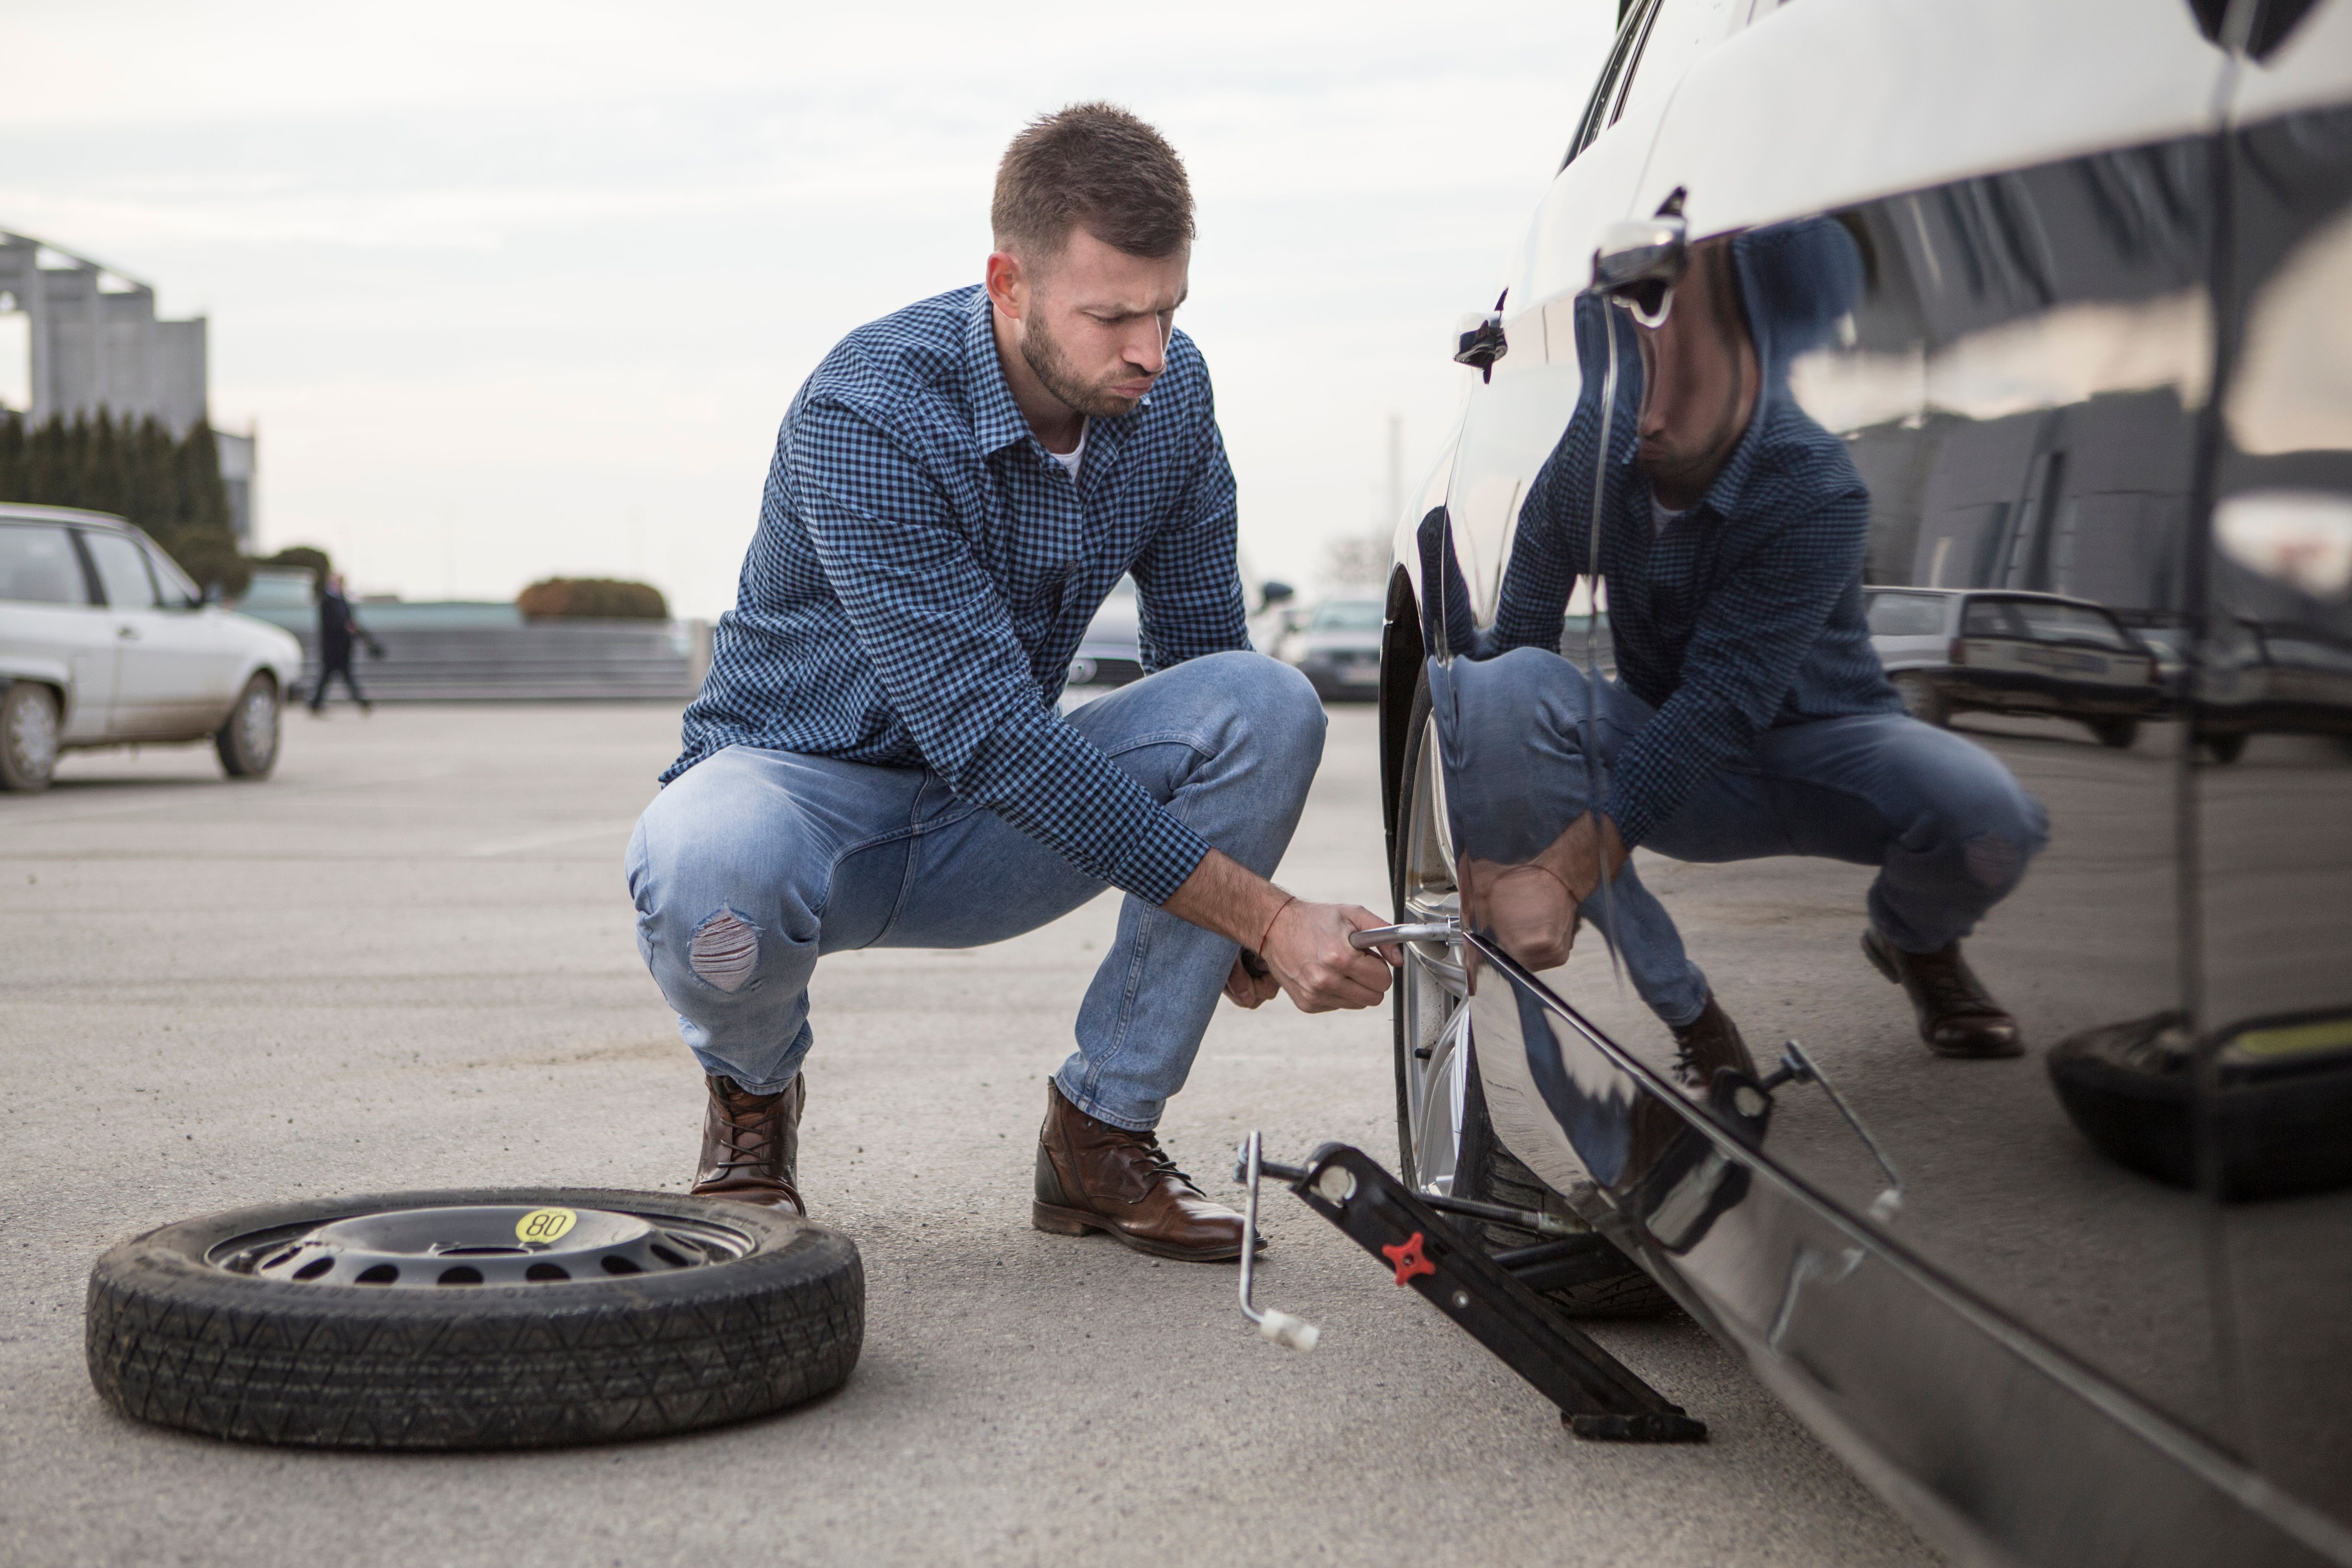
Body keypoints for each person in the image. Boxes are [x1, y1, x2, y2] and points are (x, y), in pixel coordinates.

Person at [626, 104, 1399, 1262]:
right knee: (705, 856)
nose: (1149, 348)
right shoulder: (870, 411)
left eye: (1169, 308)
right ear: (1009, 284)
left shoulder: (1169, 398)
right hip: (803, 816)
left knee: (1267, 701)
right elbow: (985, 731)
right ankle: (751, 1104)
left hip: (987, 831)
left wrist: (1230, 909)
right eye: (1112, 315)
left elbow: (1201, 659)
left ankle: (1099, 1136)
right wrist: (1269, 917)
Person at [1431, 218, 2048, 1078]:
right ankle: (1689, 1014)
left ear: (1759, 359)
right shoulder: (1590, 459)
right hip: (1665, 751)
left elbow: (1723, 703)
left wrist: (1563, 875)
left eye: (1683, 364)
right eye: (1626, 359)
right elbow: (1518, 666)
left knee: (1992, 815)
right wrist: (1458, 662)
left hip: (1827, 749)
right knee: (1499, 694)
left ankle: (1916, 943)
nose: (1645, 409)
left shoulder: (1810, 481)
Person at [309, 572, 376, 716]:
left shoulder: (343, 601)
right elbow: (330, 624)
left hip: (343, 647)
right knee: (336, 676)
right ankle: (362, 703)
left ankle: (315, 704)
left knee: (334, 676)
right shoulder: (326, 600)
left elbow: (352, 623)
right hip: (332, 647)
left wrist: (365, 639)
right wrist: (345, 628)